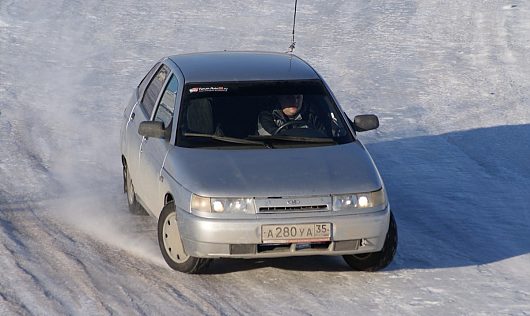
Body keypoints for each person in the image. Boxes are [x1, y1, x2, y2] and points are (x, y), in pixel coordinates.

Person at [257, 94, 323, 135]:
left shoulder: (313, 115)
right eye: (289, 97)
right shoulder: (267, 116)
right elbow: (268, 137)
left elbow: (323, 136)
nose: (295, 101)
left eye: (298, 97)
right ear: (280, 99)